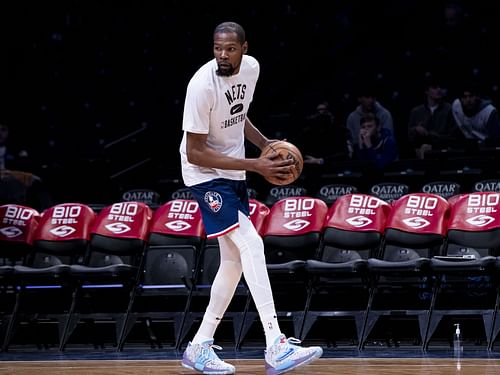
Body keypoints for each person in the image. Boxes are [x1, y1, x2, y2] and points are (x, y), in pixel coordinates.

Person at [178, 21, 323, 375]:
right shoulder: (200, 85)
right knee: (252, 244)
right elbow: (195, 152)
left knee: (233, 261)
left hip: (234, 172)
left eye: (229, 48)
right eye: (216, 48)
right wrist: (255, 164)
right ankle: (275, 344)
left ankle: (199, 345)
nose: (222, 55)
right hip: (204, 175)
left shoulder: (252, 69)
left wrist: (266, 147)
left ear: (244, 48)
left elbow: (238, 116)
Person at [407, 77, 462, 159]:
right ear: (426, 91)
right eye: (435, 87)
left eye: (440, 87)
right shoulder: (416, 111)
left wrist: (429, 135)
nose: (439, 90)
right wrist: (416, 129)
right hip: (419, 152)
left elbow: (453, 136)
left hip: (442, 151)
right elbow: (409, 135)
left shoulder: (449, 109)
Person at [299, 101, 352, 165]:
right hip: (312, 169)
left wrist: (322, 160)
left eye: (325, 111)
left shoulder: (340, 131)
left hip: (334, 168)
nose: (322, 113)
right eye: (319, 111)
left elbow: (345, 154)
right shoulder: (307, 133)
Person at [451, 81, 500, 146]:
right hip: (469, 145)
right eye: (464, 97)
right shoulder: (456, 106)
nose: (468, 100)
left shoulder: (489, 112)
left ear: (478, 97)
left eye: (471, 96)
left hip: (487, 149)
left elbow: (496, 141)